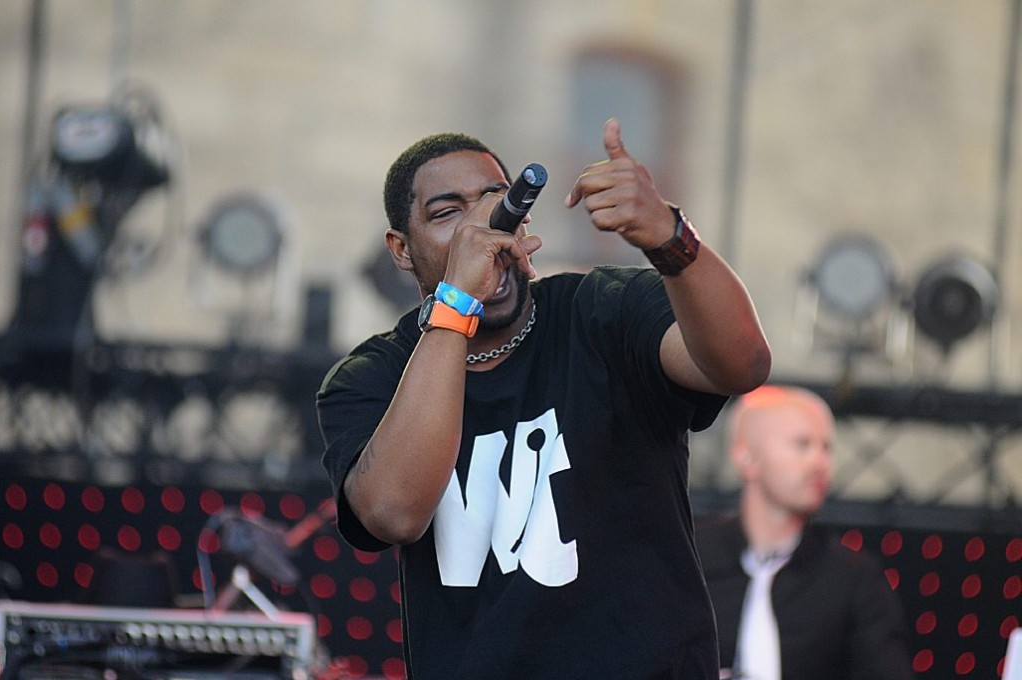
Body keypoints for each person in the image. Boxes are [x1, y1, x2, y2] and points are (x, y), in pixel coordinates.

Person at [317, 118, 771, 679]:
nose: (482, 225)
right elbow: (393, 512)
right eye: (447, 213)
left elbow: (743, 364)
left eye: (496, 199)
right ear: (402, 250)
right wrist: (457, 304)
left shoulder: (604, 311)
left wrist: (669, 236)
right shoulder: (371, 376)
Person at [696, 385, 916, 680]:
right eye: (802, 444)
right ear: (746, 456)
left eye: (826, 448)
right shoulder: (692, 559)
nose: (819, 464)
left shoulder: (852, 577)